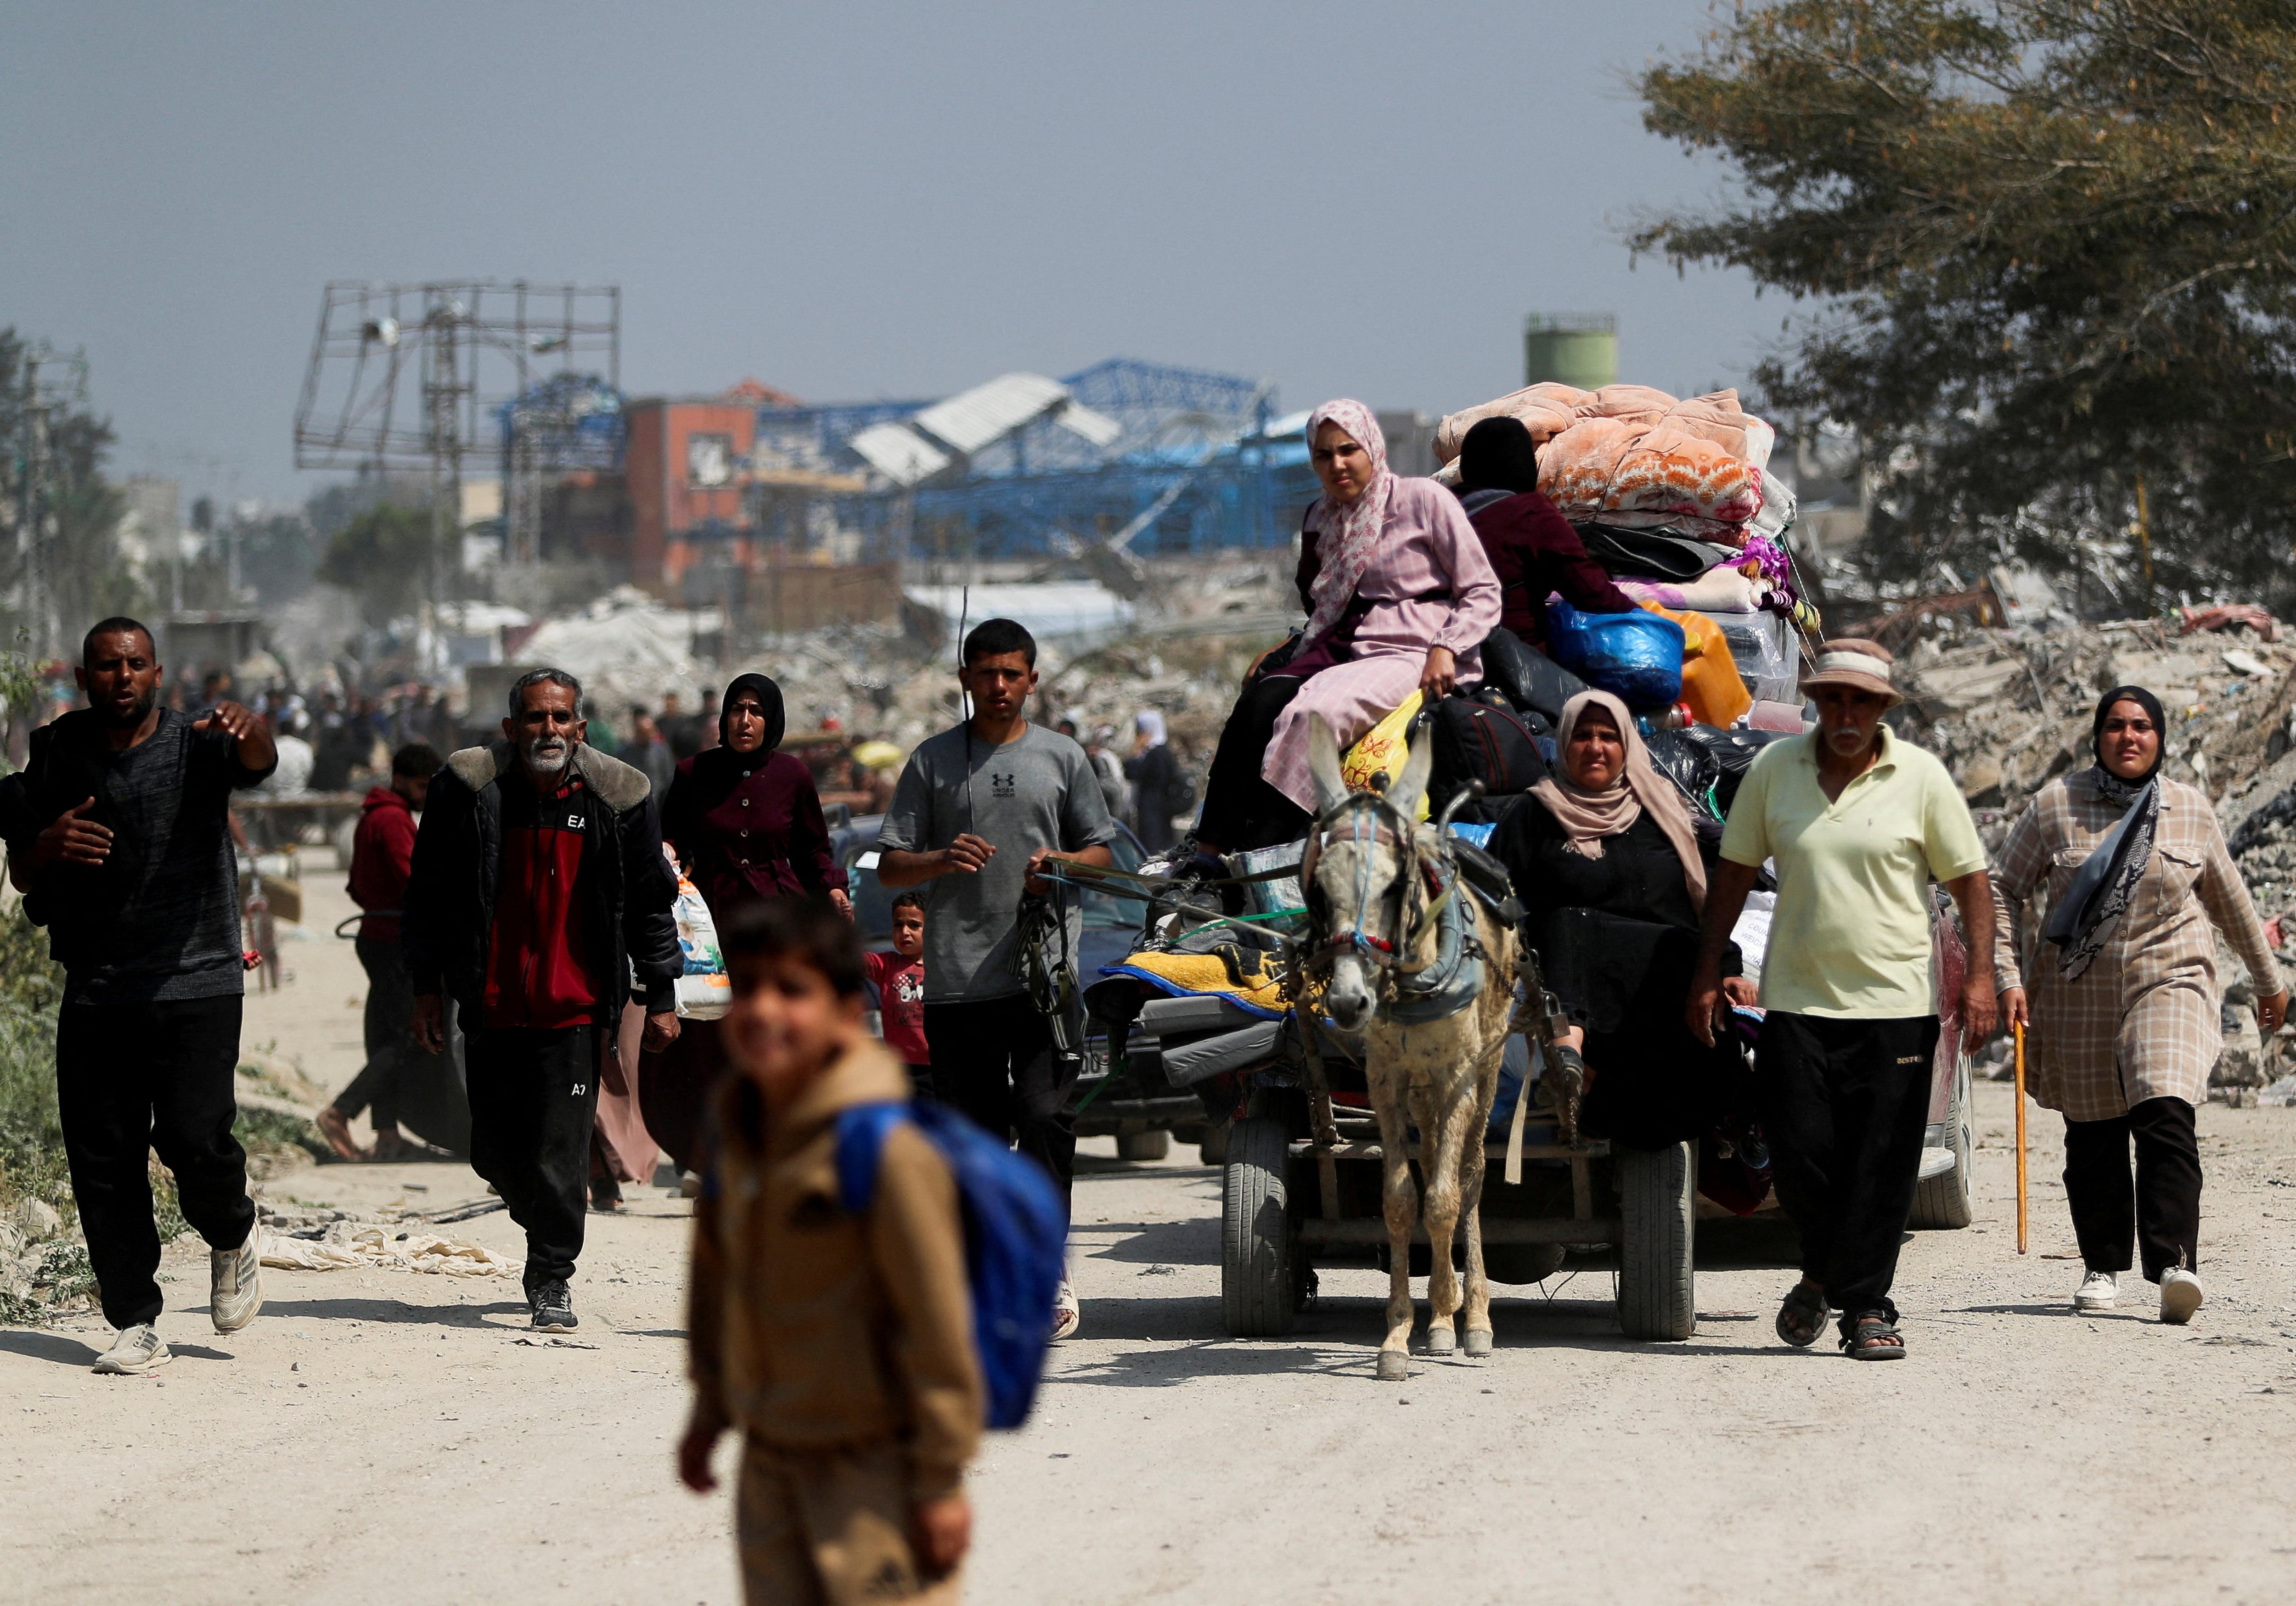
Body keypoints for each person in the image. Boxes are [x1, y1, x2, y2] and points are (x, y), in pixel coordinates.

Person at [1687, 639, 1998, 1360]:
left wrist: (1980, 978)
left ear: (1883, 709)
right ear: (1818, 704)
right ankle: (1826, 1269)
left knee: (1880, 1162)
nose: (1847, 713)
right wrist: (1708, 969)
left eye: (1861, 700)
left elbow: (1972, 882)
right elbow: (1733, 875)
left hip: (1896, 1005)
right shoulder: (1775, 772)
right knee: (1800, 1158)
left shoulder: (1919, 778)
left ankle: (1866, 1306)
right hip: (1797, 1002)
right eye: (1834, 699)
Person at [678, 898, 981, 1605]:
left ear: (847, 1013)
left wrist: (939, 1481)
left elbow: (937, 1321)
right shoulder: (738, 1133)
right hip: (770, 1455)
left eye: (792, 990)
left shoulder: (884, 1147)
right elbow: (715, 1283)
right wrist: (709, 1409)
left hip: (874, 1467)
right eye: (747, 987)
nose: (762, 1009)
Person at [0, 618, 275, 1375]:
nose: (122, 677)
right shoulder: (59, 751)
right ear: (85, 677)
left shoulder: (200, 742)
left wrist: (253, 730)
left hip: (198, 976)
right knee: (104, 1156)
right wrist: (50, 842)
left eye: (136, 664)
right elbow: (25, 871)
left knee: (193, 1136)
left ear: (158, 673)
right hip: (97, 985)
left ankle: (231, 1226)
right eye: (106, 666)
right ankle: (136, 1320)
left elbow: (259, 761)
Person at [1991, 687, 2287, 1323]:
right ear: (2098, 736)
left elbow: (2233, 904)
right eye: (2117, 726)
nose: (2130, 736)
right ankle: (2102, 1265)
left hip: (2170, 977)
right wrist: (2006, 973)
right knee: (2094, 1131)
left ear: (2160, 739)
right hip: (2077, 989)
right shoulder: (2055, 807)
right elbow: (2003, 888)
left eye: (2143, 726)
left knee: (2164, 1105)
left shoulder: (2190, 811)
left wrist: (2269, 980)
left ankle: (2177, 1263)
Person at [404, 667, 683, 1331]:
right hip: (492, 1002)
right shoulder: (469, 791)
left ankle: (551, 1273)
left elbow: (650, 900)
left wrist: (662, 989)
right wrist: (425, 987)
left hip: (577, 1009)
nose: (548, 730)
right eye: (535, 718)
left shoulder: (618, 797)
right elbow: (430, 895)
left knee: (561, 1149)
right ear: (510, 728)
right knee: (495, 1152)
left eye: (561, 718)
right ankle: (547, 1215)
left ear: (581, 729)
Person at [875, 617, 1118, 1338]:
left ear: (1033, 680)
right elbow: (889, 865)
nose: (1000, 686)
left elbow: (1102, 852)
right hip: (955, 983)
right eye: (986, 673)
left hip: (1043, 980)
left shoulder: (1064, 757)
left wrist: (1061, 867)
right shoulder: (931, 762)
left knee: (1045, 1119)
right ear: (965, 679)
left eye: (1013, 674)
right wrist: (940, 860)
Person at [1194, 400, 1501, 855]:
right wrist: (1286, 650)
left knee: (1310, 718)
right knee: (1259, 700)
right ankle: (1210, 848)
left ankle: (1261, 854)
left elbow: (1481, 589)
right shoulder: (1322, 517)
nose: (1337, 465)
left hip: (1413, 644)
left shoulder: (1421, 500)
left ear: (1371, 449)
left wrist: (1447, 647)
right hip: (1343, 642)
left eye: (1347, 450)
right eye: (1323, 455)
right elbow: (1320, 602)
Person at [1492, 690, 1756, 1147]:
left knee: (1704, 1060)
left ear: (1627, 745)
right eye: (1582, 736)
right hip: (1573, 984)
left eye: (1608, 736)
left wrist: (1725, 968)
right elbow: (1492, 904)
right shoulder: (1533, 813)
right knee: (1564, 922)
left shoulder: (1660, 809)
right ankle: (1566, 1059)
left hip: (1658, 976)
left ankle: (1597, 1087)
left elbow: (1699, 899)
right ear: (1563, 744)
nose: (1595, 747)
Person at [647, 674, 851, 1174]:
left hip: (776, 932)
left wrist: (832, 887)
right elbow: (670, 835)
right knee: (709, 1048)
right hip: (709, 935)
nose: (745, 720)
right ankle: (712, 1160)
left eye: (756, 711)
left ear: (772, 719)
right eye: (737, 709)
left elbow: (812, 849)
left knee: (774, 1042)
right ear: (722, 719)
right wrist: (670, 850)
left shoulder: (792, 777)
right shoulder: (693, 773)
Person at [319, 742, 444, 1162]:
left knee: (384, 1035)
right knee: (406, 1039)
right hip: (394, 942)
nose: (426, 795)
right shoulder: (393, 821)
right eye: (422, 786)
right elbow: (418, 884)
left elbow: (355, 886)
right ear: (401, 781)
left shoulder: (372, 817)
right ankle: (341, 1113)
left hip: (375, 935)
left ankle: (387, 1132)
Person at [1451, 415, 1637, 652]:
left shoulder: (1437, 508)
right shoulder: (1530, 513)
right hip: (1513, 659)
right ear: (1524, 463)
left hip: (1436, 652)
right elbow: (1589, 589)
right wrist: (1644, 618)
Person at [867, 891, 932, 1098]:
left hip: (935, 1066)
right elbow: (851, 958)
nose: (905, 932)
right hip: (899, 1066)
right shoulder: (887, 965)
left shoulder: (940, 966)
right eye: (898, 925)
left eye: (914, 925)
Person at [1123, 710, 1183, 854]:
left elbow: (1132, 772)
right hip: (1158, 809)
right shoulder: (1161, 752)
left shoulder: (1156, 754)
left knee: (1153, 850)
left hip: (1153, 811)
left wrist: (1137, 751)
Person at [628, 705, 678, 797]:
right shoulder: (626, 752)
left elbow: (669, 775)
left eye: (649, 733)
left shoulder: (662, 751)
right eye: (643, 733)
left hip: (657, 798)